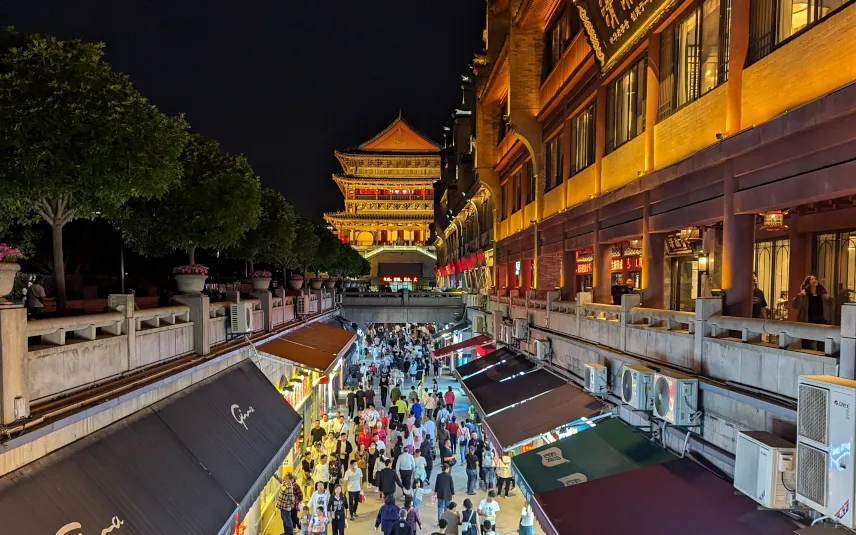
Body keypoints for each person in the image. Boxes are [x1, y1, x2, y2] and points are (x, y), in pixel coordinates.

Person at [794, 275, 833, 351]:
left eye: (815, 279)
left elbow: (831, 305)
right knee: (807, 343)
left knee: (821, 343)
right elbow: (795, 305)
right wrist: (800, 295)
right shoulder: (805, 296)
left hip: (821, 320)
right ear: (808, 283)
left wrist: (828, 298)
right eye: (811, 279)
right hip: (808, 320)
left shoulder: (822, 295)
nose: (814, 280)